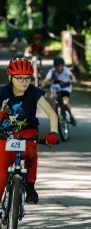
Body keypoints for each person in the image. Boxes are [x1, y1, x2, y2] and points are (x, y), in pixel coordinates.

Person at [0, 58, 59, 204]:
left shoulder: (33, 92)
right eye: (19, 78)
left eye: (27, 78)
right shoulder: (2, 92)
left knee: (31, 151)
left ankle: (30, 187)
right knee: (1, 177)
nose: (24, 81)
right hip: (4, 135)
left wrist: (54, 132)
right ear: (10, 78)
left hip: (27, 132)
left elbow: (51, 113)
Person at [41, 56, 77, 126]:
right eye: (57, 66)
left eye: (60, 66)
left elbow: (72, 77)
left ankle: (71, 116)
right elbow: (46, 80)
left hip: (65, 89)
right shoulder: (52, 71)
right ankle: (54, 114)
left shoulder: (66, 70)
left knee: (65, 102)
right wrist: (43, 84)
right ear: (55, 66)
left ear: (63, 66)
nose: (58, 67)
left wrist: (73, 80)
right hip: (56, 89)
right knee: (52, 97)